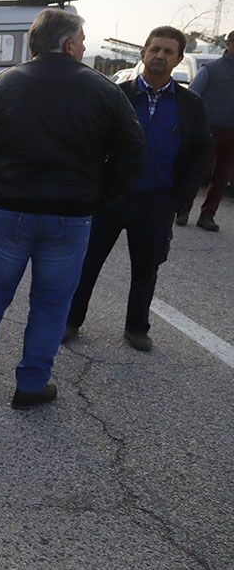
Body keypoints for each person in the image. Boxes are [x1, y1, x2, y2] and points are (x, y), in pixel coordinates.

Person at [0, 9, 146, 409]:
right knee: (51, 303)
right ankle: (31, 386)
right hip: (71, 215)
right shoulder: (104, 90)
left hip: (10, 210)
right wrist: (98, 198)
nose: (83, 47)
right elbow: (133, 155)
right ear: (68, 45)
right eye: (81, 41)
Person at [65, 26, 211, 352]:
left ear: (178, 59)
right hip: (111, 198)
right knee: (87, 264)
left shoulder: (190, 104)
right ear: (143, 53)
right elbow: (93, 141)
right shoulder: (117, 95)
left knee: (146, 269)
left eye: (168, 51)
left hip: (158, 201)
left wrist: (181, 197)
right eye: (154, 49)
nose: (160, 56)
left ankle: (136, 328)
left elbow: (202, 150)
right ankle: (71, 320)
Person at [176, 30, 234, 232]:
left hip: (232, 133)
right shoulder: (211, 69)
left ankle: (207, 215)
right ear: (228, 43)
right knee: (198, 171)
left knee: (222, 176)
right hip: (209, 130)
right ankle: (183, 210)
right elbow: (192, 96)